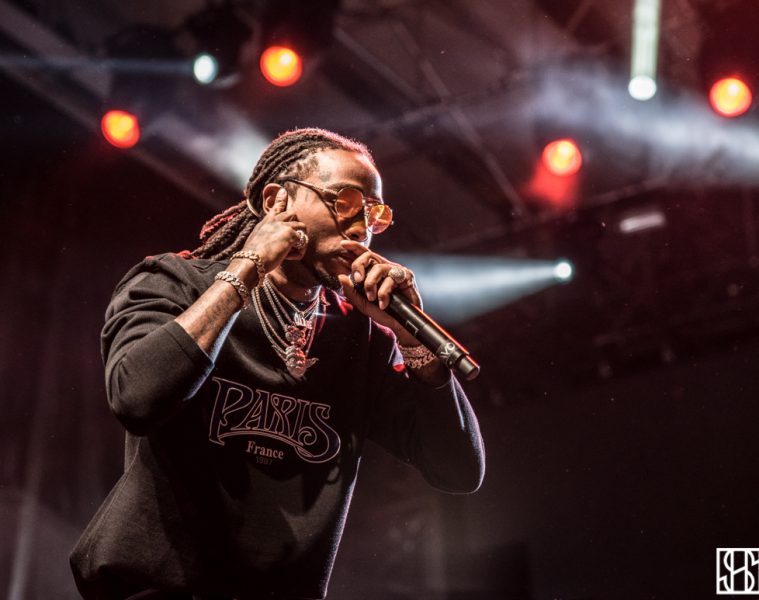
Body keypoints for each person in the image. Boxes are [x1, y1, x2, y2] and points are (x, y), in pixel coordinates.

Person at [70, 127, 485, 600]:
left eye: (374, 213)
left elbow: (458, 470)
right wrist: (246, 269)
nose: (360, 228)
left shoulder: (361, 337)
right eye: (345, 202)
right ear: (276, 202)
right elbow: (137, 399)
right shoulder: (176, 282)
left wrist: (413, 343)